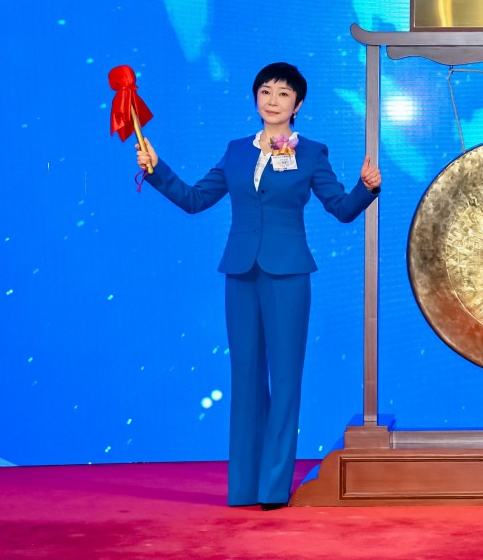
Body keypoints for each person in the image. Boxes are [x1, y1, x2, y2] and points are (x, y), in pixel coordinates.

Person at [136, 62, 379, 509]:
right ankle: (245, 486)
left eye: (283, 93)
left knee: (285, 378)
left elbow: (342, 209)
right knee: (245, 376)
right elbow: (195, 199)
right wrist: (156, 169)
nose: (273, 100)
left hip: (289, 274)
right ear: (255, 99)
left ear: (298, 104)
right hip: (240, 271)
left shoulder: (312, 153)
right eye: (265, 91)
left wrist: (366, 189)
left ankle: (272, 488)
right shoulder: (236, 151)